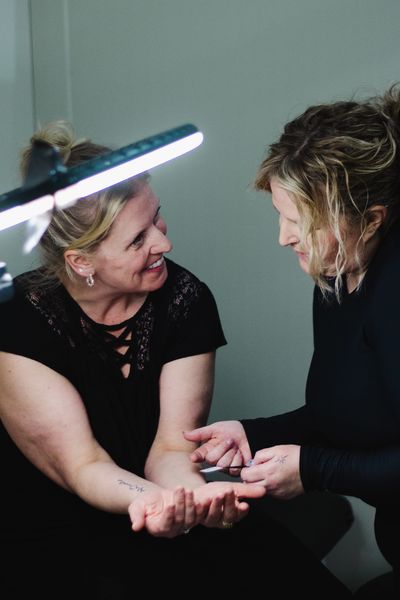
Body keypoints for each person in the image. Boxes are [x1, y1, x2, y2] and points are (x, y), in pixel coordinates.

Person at [0, 121, 351, 599]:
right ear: (81, 262)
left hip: (162, 505)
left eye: (157, 218)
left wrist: (193, 497)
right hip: (54, 531)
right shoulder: (18, 320)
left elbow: (170, 449)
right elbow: (83, 466)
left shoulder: (184, 299)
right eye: (137, 240)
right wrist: (161, 503)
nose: (163, 244)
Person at [185, 84, 400, 597]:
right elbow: (346, 415)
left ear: (371, 220)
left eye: (300, 221)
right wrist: (251, 434)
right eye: (280, 214)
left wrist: (313, 469)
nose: (283, 237)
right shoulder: (337, 274)